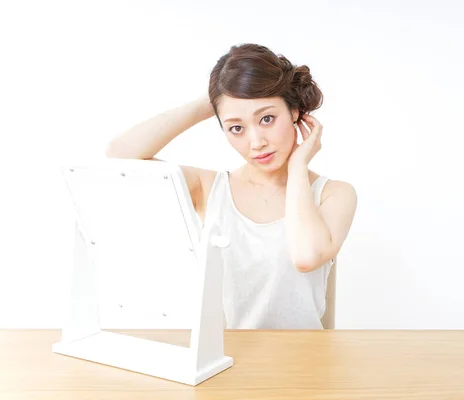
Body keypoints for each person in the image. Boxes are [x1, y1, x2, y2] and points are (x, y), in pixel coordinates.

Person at [105, 43, 357, 329]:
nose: (256, 142)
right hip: (227, 361)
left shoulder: (335, 194)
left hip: (307, 364)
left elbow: (306, 257)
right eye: (236, 127)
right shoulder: (210, 187)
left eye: (267, 118)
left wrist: (298, 167)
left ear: (295, 112)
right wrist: (212, 100)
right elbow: (119, 154)